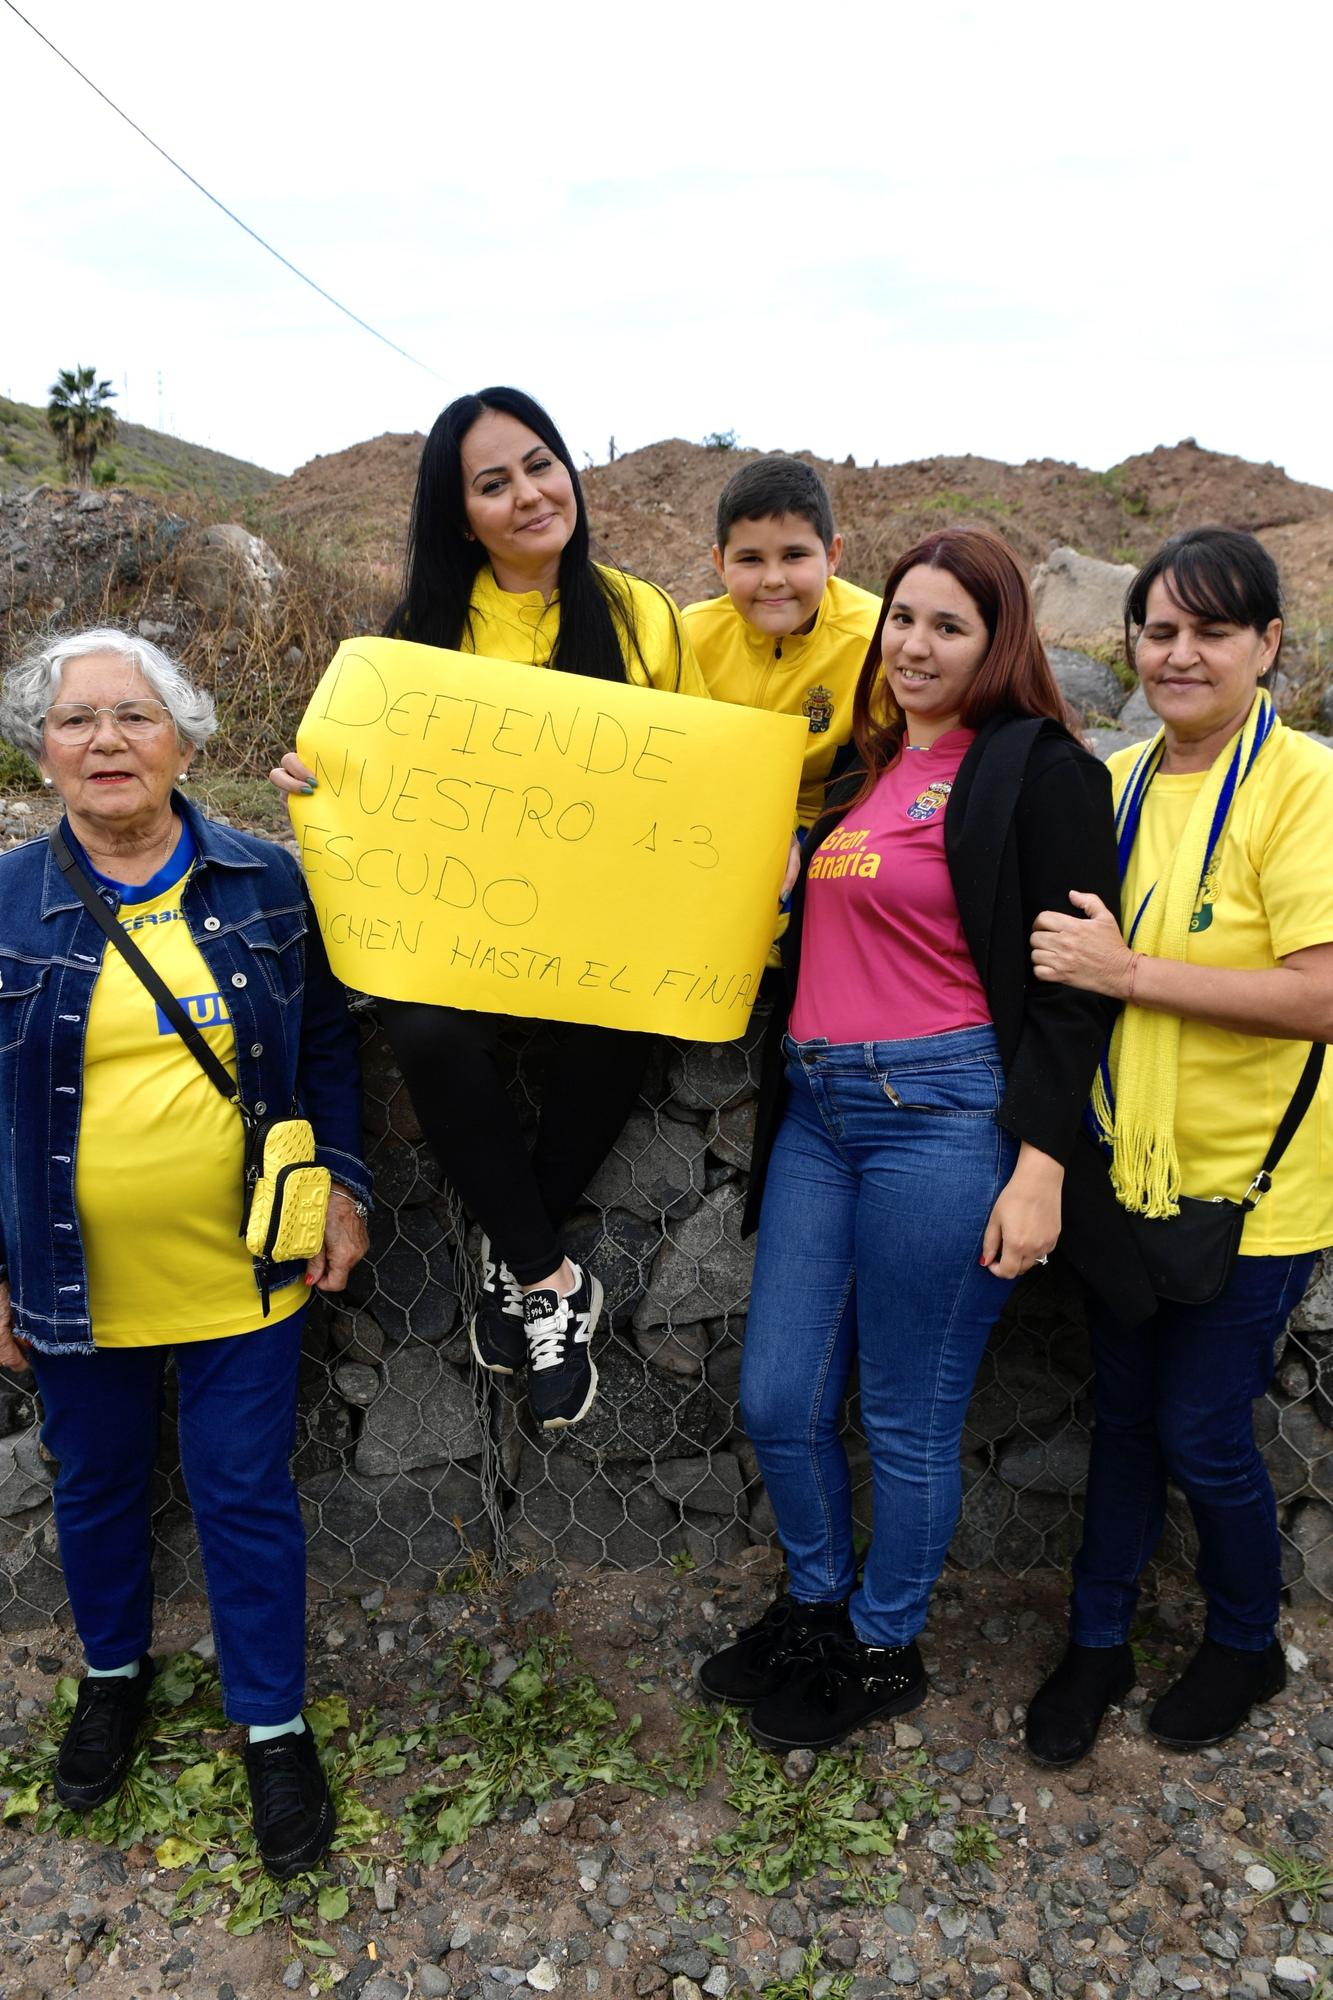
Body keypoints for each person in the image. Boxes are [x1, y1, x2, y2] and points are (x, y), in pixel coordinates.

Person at [697, 527, 1136, 1752]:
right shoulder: (859, 773)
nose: (915, 644)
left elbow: (1071, 987)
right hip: (821, 1110)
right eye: (901, 618)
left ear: (1000, 642)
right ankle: (815, 1602)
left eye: (949, 624)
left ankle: (883, 1639)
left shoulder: (1042, 770)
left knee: (905, 1411)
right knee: (780, 1395)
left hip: (942, 1116)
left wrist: (1039, 1164)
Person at [0, 628, 370, 1878]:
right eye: (75, 721)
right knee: (95, 1483)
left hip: (245, 1271)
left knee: (243, 1493)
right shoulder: (5, 901)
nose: (105, 740)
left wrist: (347, 1187)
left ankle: (274, 1724)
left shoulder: (266, 881)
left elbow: (325, 1046)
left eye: (134, 716)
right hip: (67, 1276)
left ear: (186, 740)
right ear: (41, 752)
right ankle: (113, 1677)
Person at [272, 386, 710, 1432]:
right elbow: (374, 784)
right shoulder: (419, 635)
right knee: (422, 1027)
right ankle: (549, 1277)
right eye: (492, 482)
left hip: (598, 923)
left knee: (625, 1020)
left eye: (541, 463)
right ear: (457, 512)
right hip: (468, 933)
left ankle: (516, 1243)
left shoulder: (640, 610)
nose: (528, 494)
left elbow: (689, 773)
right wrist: (313, 781)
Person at [1023, 527, 1333, 1766]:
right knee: (1126, 1421)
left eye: (1212, 629)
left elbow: (1320, 992)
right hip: (1122, 1181)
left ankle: (1245, 1637)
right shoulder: (1114, 781)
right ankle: (1096, 1643)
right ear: (1131, 644)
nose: (1181, 652)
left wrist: (1130, 970)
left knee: (1202, 1427)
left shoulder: (1302, 785)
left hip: (1250, 1187)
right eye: (1159, 629)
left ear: (1267, 644)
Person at [682, 454, 882, 831]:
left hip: (826, 825)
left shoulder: (878, 641)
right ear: (720, 563)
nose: (773, 578)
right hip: (716, 812)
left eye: (793, 556)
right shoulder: (692, 633)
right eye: (750, 559)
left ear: (832, 555)